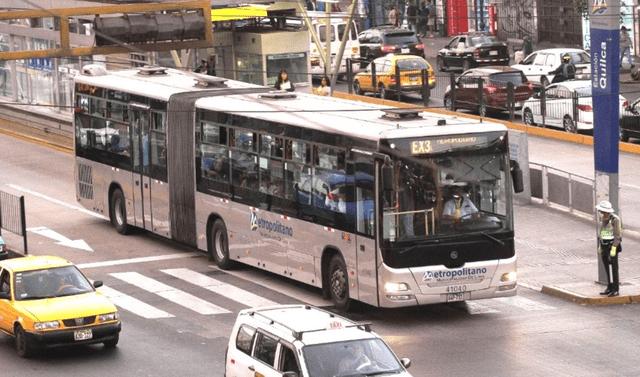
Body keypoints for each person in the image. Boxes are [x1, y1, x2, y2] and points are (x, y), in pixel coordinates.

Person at [596, 201, 622, 297]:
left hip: (611, 245)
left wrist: (614, 247)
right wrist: (600, 245)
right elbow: (602, 231)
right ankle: (609, 286)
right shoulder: (604, 218)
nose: (600, 212)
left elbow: (617, 234)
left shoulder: (615, 219)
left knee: (614, 267)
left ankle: (615, 288)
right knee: (606, 266)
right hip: (604, 244)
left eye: (601, 210)